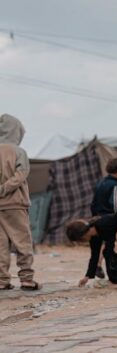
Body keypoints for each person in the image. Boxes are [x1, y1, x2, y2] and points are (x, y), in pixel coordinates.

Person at [0, 114, 40, 291]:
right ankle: (26, 279)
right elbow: (21, 175)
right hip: (15, 203)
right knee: (23, 241)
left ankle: (1, 280)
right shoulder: (19, 152)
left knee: (0, 244)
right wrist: (5, 189)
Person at [66, 211, 117, 287]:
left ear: (82, 235)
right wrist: (87, 277)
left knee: (110, 255)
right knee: (108, 253)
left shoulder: (102, 223)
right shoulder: (94, 238)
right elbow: (94, 256)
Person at [89, 157, 117, 279]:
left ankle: (98, 265)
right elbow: (116, 204)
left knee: (103, 244)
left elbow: (93, 202)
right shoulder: (116, 186)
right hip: (110, 218)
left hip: (98, 217)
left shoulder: (101, 182)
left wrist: (95, 216)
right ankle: (115, 273)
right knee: (111, 247)